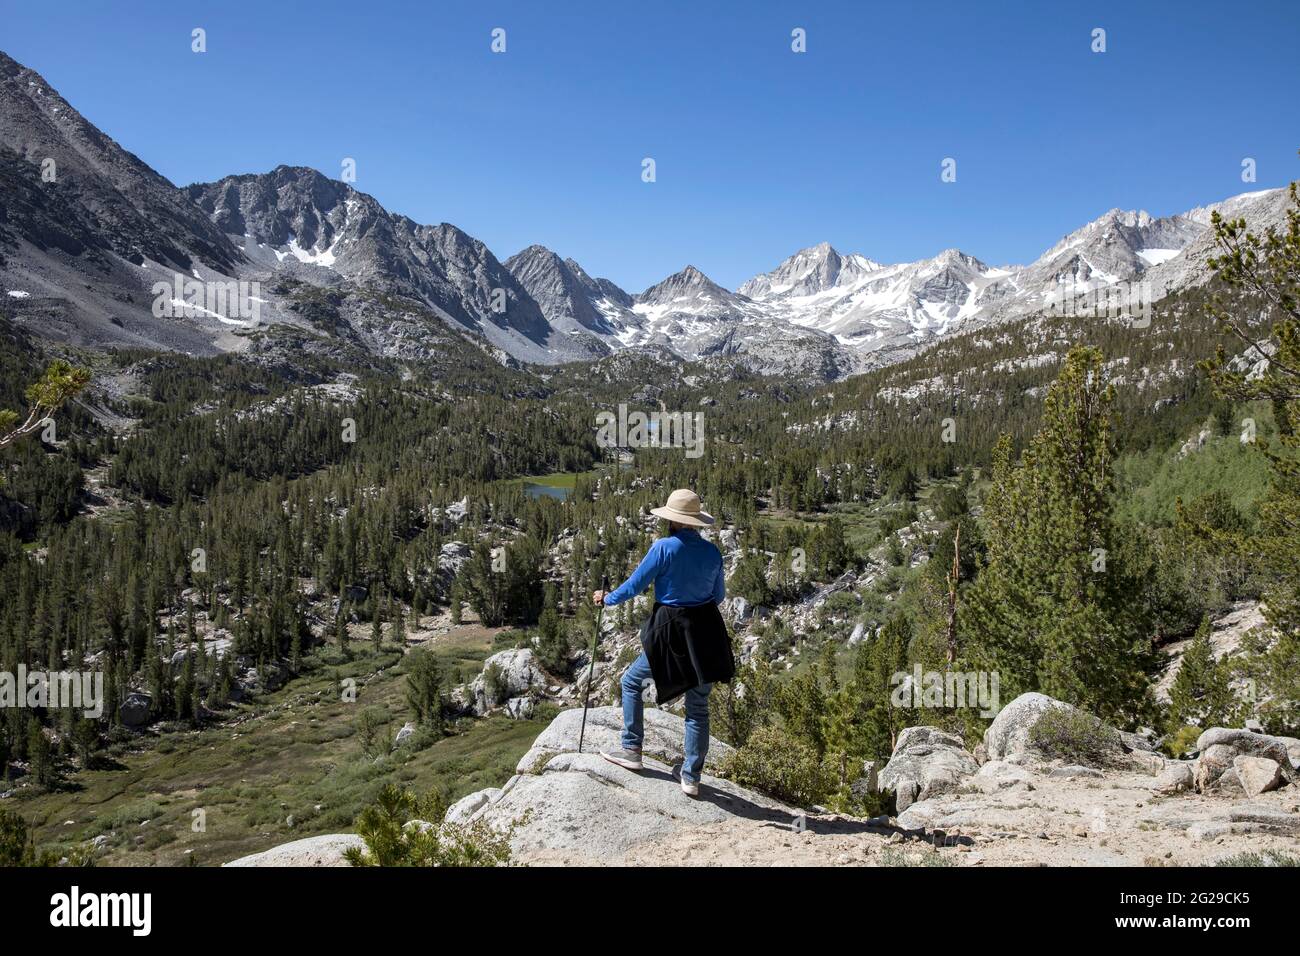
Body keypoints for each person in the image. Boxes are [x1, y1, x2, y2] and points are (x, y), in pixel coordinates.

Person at [592, 488, 730, 797]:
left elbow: (635, 586)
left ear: (672, 520)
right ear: (695, 522)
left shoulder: (663, 548)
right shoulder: (712, 553)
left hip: (671, 630)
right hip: (706, 631)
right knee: (698, 706)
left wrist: (607, 598)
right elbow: (718, 597)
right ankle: (691, 777)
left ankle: (631, 749)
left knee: (631, 682)